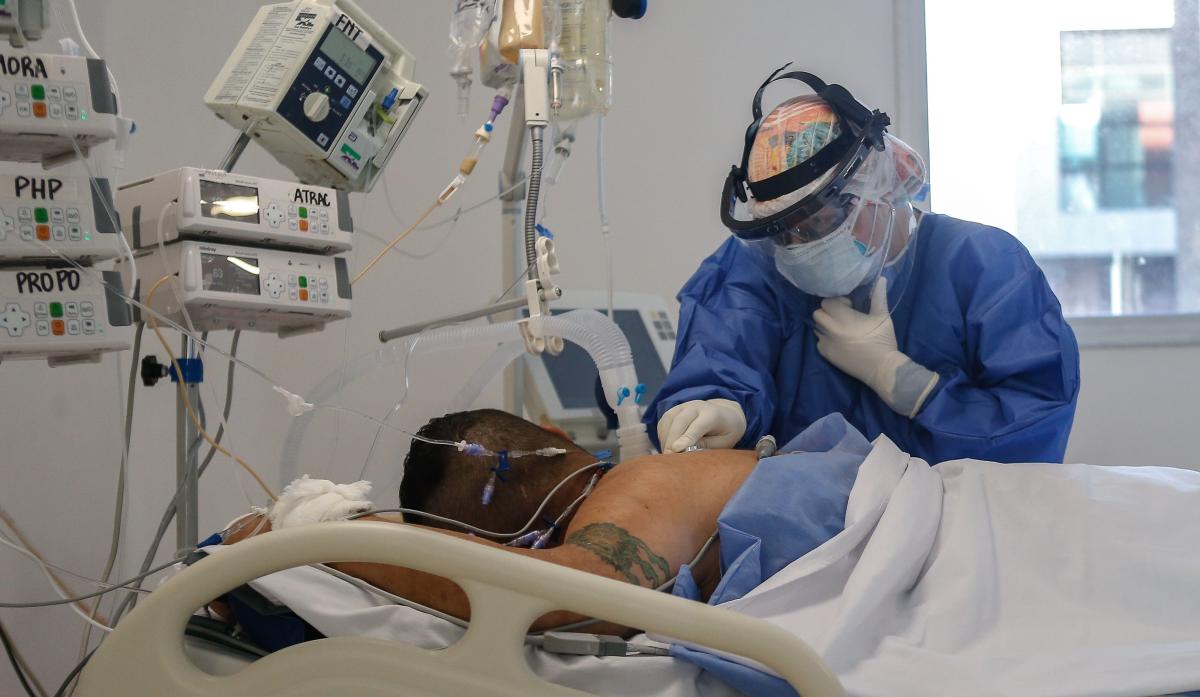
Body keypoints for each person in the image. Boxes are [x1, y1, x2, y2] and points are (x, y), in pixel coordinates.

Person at [646, 66, 1080, 464]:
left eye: (816, 224)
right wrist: (719, 407)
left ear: (879, 187)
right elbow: (721, 351)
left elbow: (1032, 426)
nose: (797, 247)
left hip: (956, 517)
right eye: (783, 233)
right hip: (802, 517)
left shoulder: (984, 265)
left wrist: (905, 383)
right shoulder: (755, 267)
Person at [220, 409, 760, 632]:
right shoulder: (638, 489)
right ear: (559, 436)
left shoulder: (642, 483)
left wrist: (315, 535)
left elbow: (581, 595)